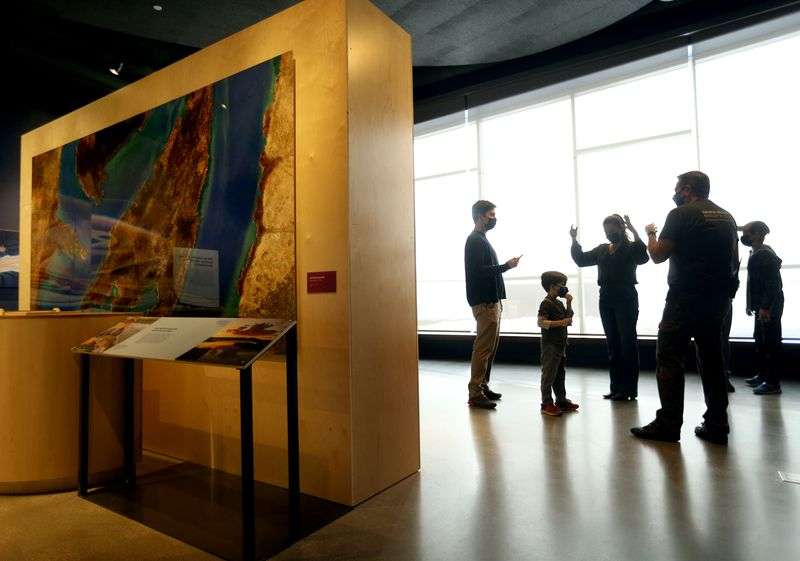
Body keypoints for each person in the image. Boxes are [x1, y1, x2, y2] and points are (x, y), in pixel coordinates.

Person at [630, 171, 739, 445]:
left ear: (688, 189)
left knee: (669, 357)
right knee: (713, 361)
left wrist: (651, 234)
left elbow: (657, 255)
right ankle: (717, 425)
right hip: (718, 301)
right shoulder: (727, 217)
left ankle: (668, 425)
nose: (675, 193)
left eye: (678, 189)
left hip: (684, 300)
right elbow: (734, 260)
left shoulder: (680, 214)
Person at [570, 214, 648, 401]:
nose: (609, 233)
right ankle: (616, 388)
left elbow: (643, 257)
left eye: (612, 230)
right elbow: (581, 260)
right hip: (606, 298)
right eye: (606, 231)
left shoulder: (630, 248)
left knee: (627, 344)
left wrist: (634, 231)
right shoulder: (602, 249)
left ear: (621, 228)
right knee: (613, 344)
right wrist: (574, 240)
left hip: (626, 298)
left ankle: (629, 390)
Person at [464, 200, 521, 409]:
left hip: (492, 301)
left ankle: (483, 386)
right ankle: (475, 393)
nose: (494, 219)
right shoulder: (475, 241)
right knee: (483, 349)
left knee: (489, 348)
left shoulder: (481, 239)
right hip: (485, 302)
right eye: (491, 215)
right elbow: (480, 271)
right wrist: (506, 266)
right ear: (480, 217)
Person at [740, 221, 784, 395]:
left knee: (770, 343)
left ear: (758, 234)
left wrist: (765, 307)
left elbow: (773, 284)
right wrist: (751, 305)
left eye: (748, 233)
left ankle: (772, 383)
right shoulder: (757, 251)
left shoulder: (765, 254)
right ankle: (763, 376)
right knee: (761, 340)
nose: (744, 236)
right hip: (762, 305)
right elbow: (754, 283)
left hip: (769, 305)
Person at [537, 271, 580, 417]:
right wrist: (561, 322)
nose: (564, 288)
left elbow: (568, 317)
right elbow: (541, 322)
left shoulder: (559, 303)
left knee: (560, 374)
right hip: (550, 345)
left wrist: (569, 303)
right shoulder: (546, 303)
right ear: (551, 286)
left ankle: (561, 400)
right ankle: (546, 403)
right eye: (561, 285)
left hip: (561, 344)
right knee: (548, 375)